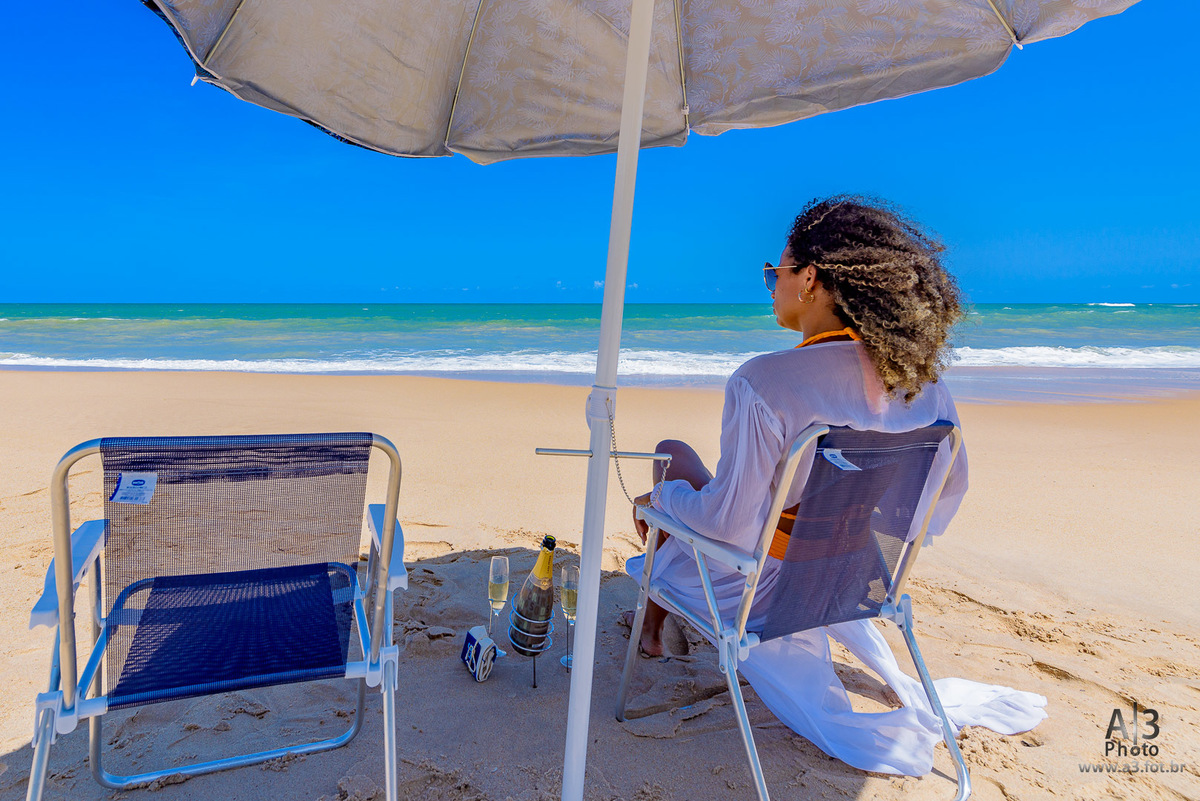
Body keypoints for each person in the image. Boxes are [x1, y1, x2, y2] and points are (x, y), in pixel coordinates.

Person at [621, 195, 1045, 776]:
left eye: (778, 272)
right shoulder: (923, 386)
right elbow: (946, 490)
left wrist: (661, 501)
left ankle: (649, 628)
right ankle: (653, 621)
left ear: (811, 280)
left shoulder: (764, 382)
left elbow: (729, 527)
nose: (772, 284)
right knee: (698, 468)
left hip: (764, 592)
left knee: (670, 463)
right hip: (852, 578)